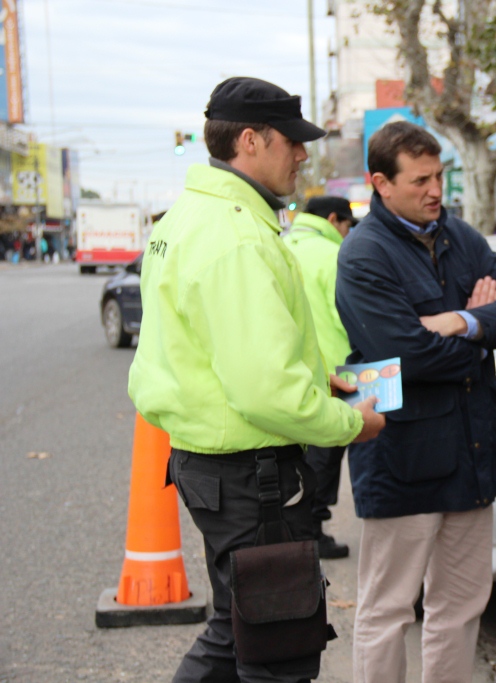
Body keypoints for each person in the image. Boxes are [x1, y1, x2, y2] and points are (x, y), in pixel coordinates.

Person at [127, 76, 385, 683]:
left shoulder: (187, 217)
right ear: (249, 140)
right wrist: (353, 424)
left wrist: (318, 379)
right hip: (251, 476)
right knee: (279, 653)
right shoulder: (236, 235)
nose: (302, 154)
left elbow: (218, 348)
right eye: (291, 141)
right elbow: (265, 392)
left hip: (214, 463)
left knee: (238, 631)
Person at [335, 121, 496, 683]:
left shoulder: (459, 235)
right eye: (420, 179)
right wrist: (480, 337)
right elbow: (405, 354)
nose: (435, 190)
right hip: (401, 454)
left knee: (462, 604)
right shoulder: (363, 253)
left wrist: (458, 320)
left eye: (439, 176)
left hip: (471, 452)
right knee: (389, 609)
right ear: (381, 183)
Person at [282, 195, 358, 559]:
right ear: (333, 219)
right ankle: (313, 529)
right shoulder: (333, 256)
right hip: (337, 370)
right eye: (346, 225)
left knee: (303, 451)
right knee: (327, 453)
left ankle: (302, 525)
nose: (347, 234)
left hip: (293, 370)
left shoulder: (281, 246)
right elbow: (347, 316)